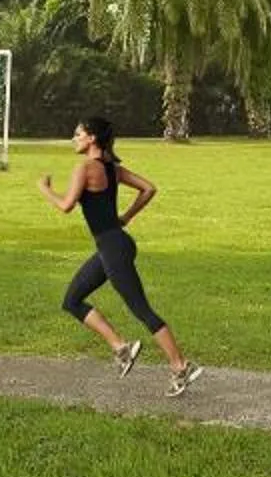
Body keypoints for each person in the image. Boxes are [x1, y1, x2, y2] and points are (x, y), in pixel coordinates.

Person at [39, 114, 201, 397]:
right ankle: (121, 348)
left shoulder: (85, 168)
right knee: (72, 300)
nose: (74, 139)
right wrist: (125, 217)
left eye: (78, 134)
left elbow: (66, 206)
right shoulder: (112, 168)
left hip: (113, 248)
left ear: (91, 138)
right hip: (113, 245)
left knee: (142, 309)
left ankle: (180, 366)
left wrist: (46, 190)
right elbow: (148, 188)